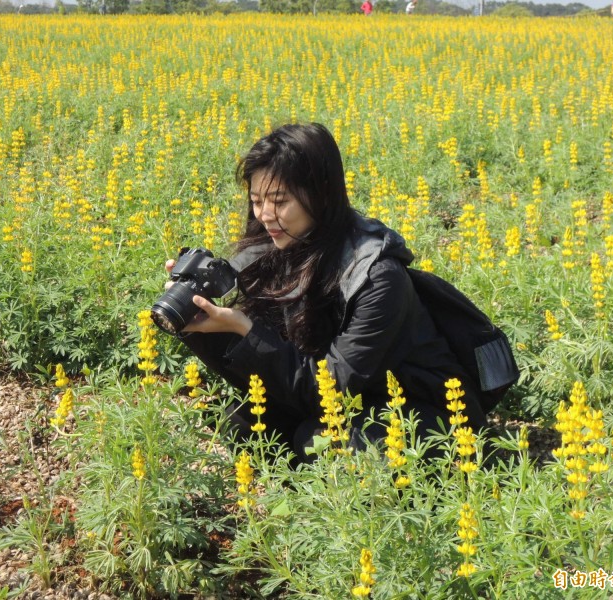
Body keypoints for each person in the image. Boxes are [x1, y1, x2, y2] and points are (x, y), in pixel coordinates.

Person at [164, 123, 488, 462]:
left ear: (320, 195)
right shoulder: (277, 247)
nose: (265, 216)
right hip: (339, 396)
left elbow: (330, 391)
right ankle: (311, 495)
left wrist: (246, 329)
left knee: (316, 442)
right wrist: (198, 324)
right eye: (257, 201)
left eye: (280, 201)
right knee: (244, 423)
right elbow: (267, 376)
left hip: (428, 411)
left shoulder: (378, 277)